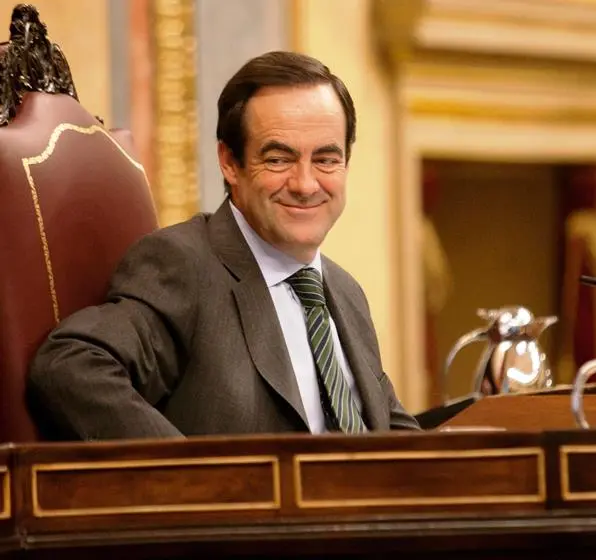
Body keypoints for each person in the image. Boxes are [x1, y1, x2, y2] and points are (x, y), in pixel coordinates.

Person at [27, 51, 420, 439]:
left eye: (326, 159)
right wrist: (196, 481)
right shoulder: (183, 266)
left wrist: (480, 410)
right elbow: (70, 364)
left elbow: (390, 438)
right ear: (230, 162)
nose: (305, 184)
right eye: (279, 159)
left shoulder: (346, 292)